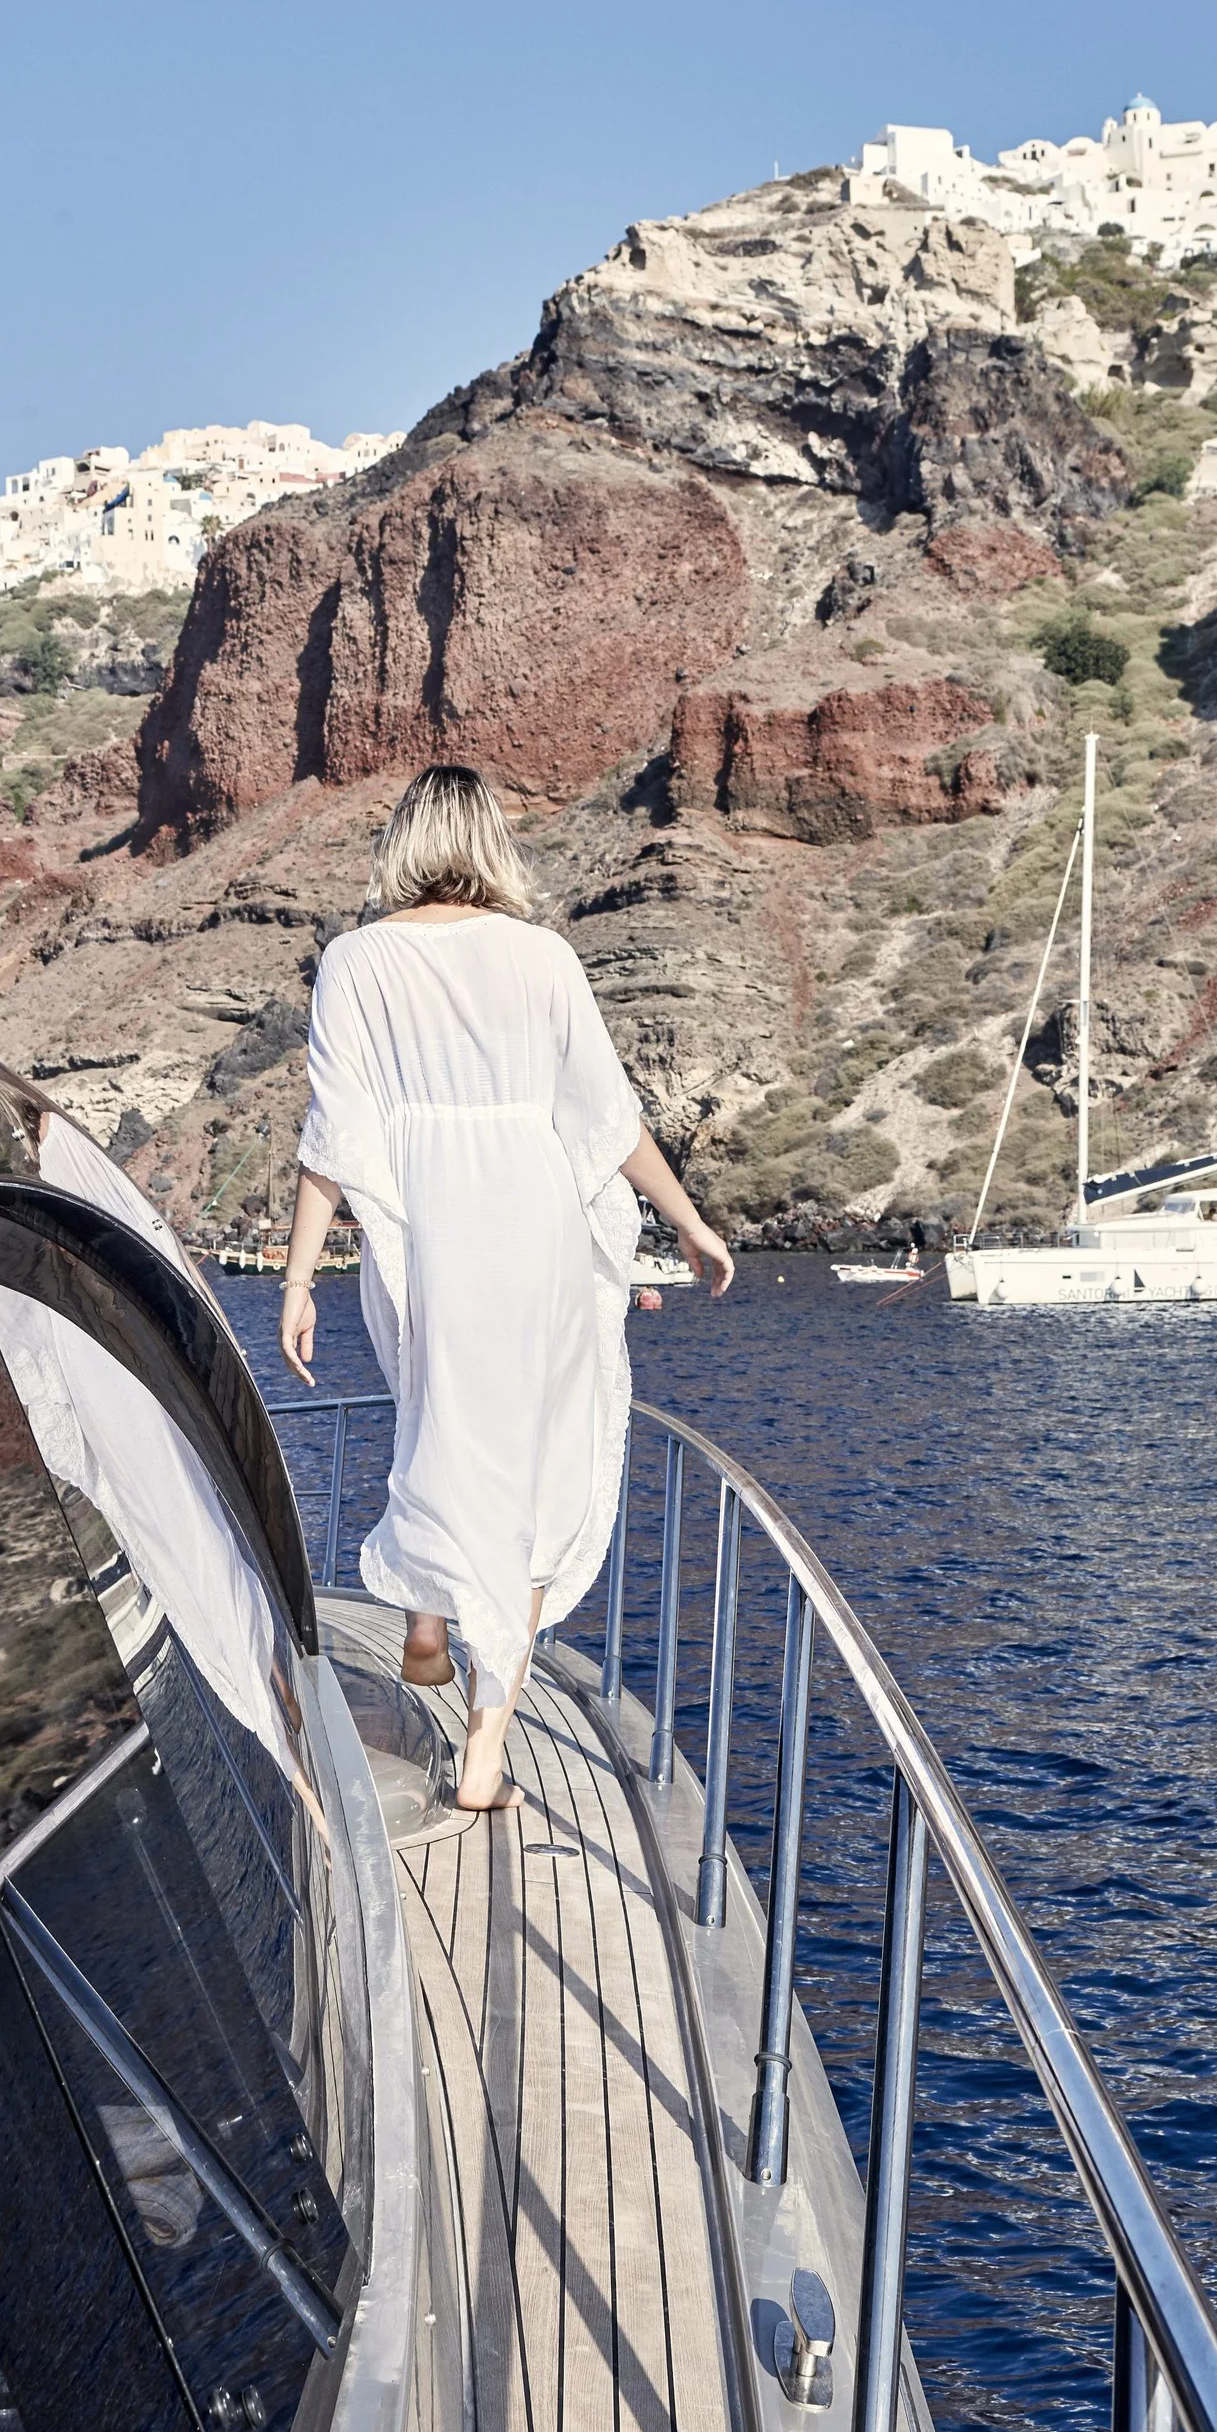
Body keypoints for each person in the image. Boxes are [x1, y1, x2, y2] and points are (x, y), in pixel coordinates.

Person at [279, 766, 732, 1815]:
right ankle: (483, 1754)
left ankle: (428, 1625)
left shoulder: (354, 961)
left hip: (427, 1233)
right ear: (491, 841)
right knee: (531, 1475)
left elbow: (333, 1140)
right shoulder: (542, 958)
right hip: (537, 1233)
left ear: (401, 840)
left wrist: (300, 1277)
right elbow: (607, 1122)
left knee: (438, 1423)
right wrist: (689, 1220)